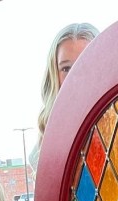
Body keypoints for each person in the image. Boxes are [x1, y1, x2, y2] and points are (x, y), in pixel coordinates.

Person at [29, 22, 99, 170]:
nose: (76, 75)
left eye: (86, 64)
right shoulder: (43, 148)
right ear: (55, 75)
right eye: (66, 68)